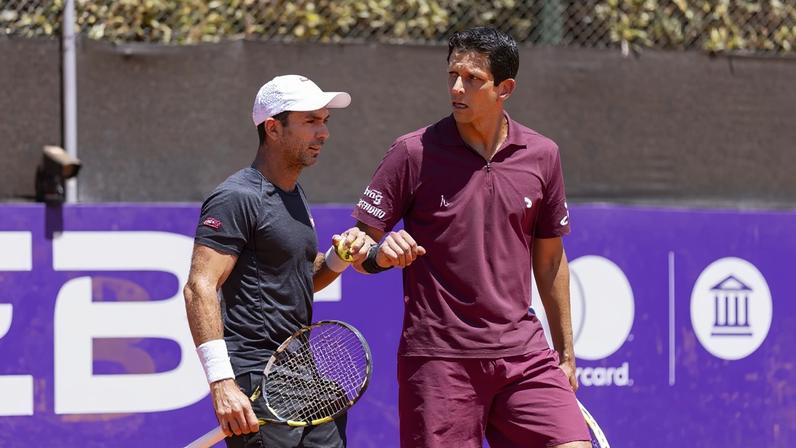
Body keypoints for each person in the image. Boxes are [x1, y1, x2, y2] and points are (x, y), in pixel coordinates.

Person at [351, 27, 591, 447]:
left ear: (505, 88)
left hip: (524, 355)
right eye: (452, 75)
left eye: (472, 78)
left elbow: (551, 260)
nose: (457, 88)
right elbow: (359, 246)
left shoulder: (543, 155)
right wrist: (380, 252)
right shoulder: (412, 152)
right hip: (440, 359)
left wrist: (566, 355)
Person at [183, 74, 369, 448]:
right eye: (310, 121)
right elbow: (199, 287)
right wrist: (222, 383)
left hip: (304, 374)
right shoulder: (236, 197)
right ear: (273, 128)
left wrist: (339, 257)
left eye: (325, 121)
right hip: (257, 377)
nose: (323, 133)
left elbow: (302, 278)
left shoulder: (294, 194)